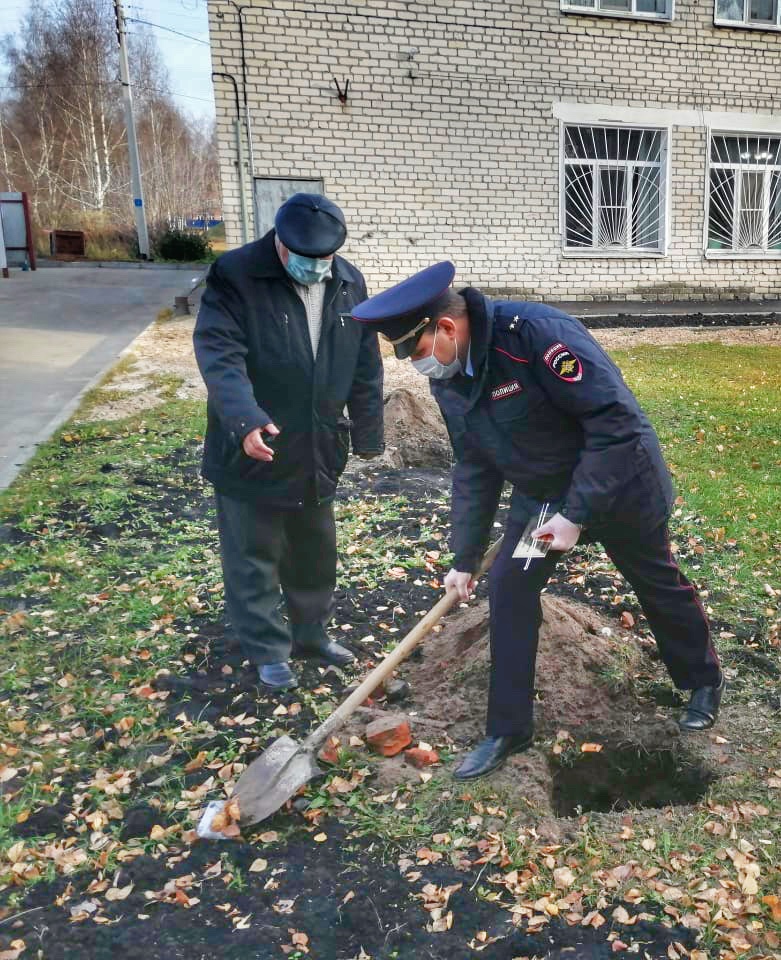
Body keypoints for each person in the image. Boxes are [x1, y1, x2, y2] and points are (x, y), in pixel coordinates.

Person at [352, 262, 723, 780]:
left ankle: (702, 679)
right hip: (545, 497)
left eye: (415, 352)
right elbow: (474, 467)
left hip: (618, 484)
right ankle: (508, 729)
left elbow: (616, 423)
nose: (418, 367)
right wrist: (463, 558)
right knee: (509, 588)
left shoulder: (536, 337)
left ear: (446, 328)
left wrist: (578, 514)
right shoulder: (452, 377)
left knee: (655, 580)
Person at [193, 194, 384, 691]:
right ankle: (266, 649)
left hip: (319, 445)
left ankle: (311, 634)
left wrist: (367, 431)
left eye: (326, 259)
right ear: (280, 243)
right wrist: (244, 419)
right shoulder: (236, 274)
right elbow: (220, 353)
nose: (317, 268)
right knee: (253, 553)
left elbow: (365, 361)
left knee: (314, 549)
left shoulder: (347, 280)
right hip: (256, 445)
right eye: (307, 258)